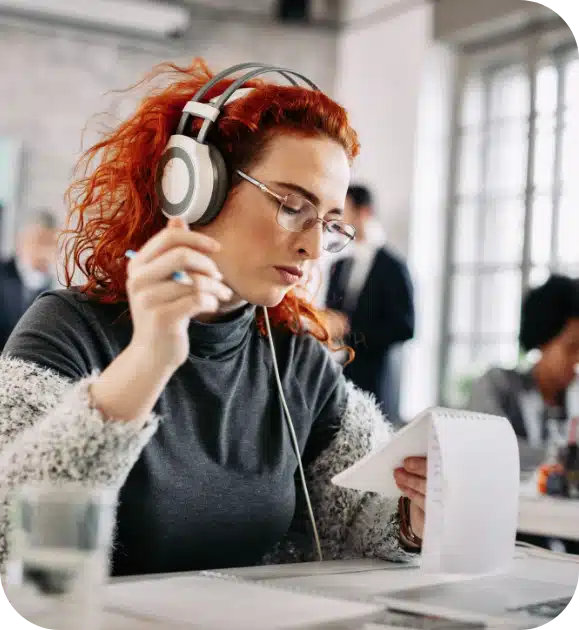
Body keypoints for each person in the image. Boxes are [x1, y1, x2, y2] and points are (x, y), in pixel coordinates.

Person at [0, 59, 427, 577]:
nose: (315, 247)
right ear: (195, 188)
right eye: (292, 205)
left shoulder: (295, 358)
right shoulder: (68, 329)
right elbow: (10, 534)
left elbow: (367, 519)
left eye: (329, 223)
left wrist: (412, 520)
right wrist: (146, 362)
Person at [324, 185, 415, 422]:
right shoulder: (340, 265)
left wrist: (352, 332)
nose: (339, 221)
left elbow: (405, 327)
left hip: (377, 384)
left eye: (345, 212)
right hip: (340, 383)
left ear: (364, 213)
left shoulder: (393, 266)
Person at [468, 274, 579, 463]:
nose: (577, 358)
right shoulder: (498, 385)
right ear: (544, 340)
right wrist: (564, 459)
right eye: (572, 347)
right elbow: (488, 448)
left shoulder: (572, 400)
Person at [0, 210, 58, 351]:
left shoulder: (48, 288)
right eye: (41, 241)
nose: (46, 251)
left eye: (52, 244)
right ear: (21, 241)